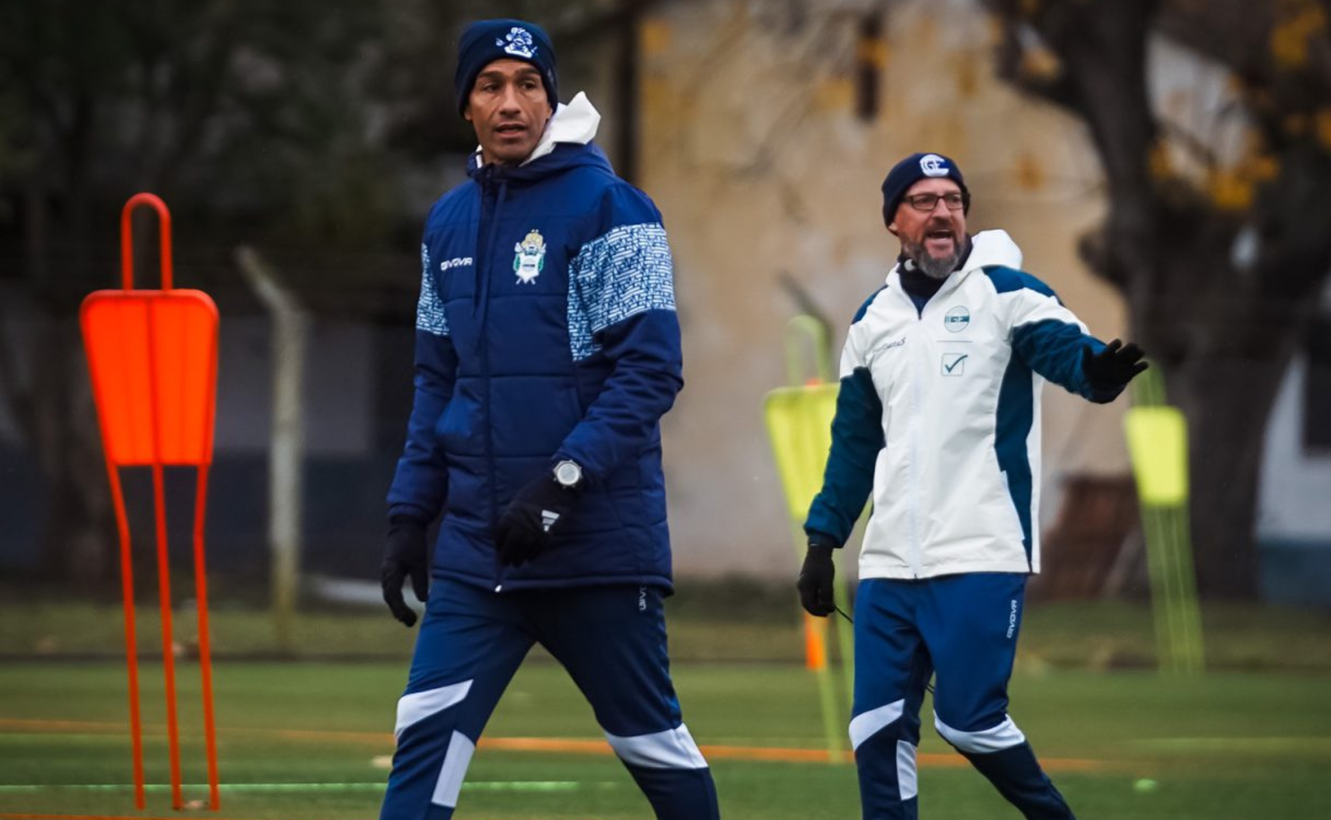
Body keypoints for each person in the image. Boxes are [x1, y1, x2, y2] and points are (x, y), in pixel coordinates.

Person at [376, 19, 720, 820]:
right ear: (465, 103)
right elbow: (435, 381)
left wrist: (562, 482)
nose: (510, 102)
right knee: (423, 743)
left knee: (656, 754)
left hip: (595, 550)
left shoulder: (614, 208)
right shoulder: (448, 224)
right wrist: (406, 515)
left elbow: (650, 371)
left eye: (528, 85)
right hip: (475, 557)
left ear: (551, 98)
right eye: (491, 85)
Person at [796, 152, 1147, 820]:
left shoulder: (1009, 293)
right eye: (924, 200)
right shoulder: (874, 321)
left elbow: (1066, 352)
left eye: (953, 199)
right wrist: (823, 538)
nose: (942, 212)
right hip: (890, 560)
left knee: (969, 722)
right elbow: (854, 445)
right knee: (874, 729)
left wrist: (1097, 373)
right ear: (894, 221)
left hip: (980, 549)